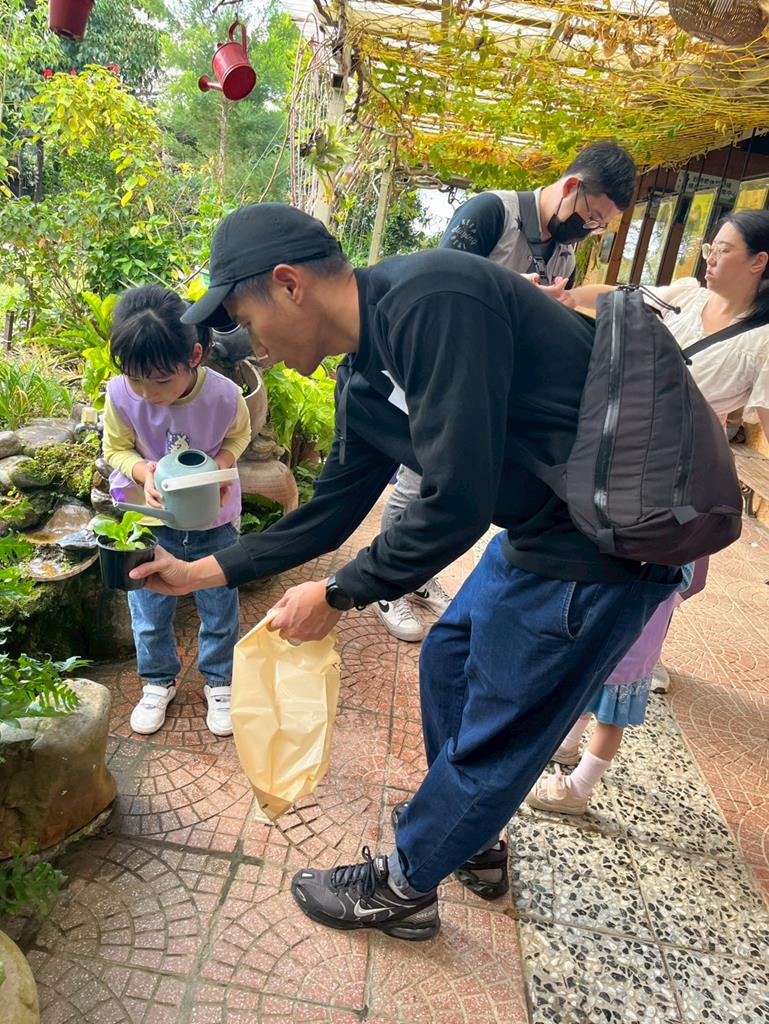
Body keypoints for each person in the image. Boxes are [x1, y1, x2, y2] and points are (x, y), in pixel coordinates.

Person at [131, 202, 681, 942]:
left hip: (608, 543)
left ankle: (404, 886)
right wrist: (196, 573)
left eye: (246, 319)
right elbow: (330, 513)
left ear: (289, 284)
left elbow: (458, 500)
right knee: (448, 657)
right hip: (546, 527)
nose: (250, 345)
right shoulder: (363, 378)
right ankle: (468, 834)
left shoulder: (435, 298)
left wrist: (338, 593)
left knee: (499, 731)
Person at [527, 209, 769, 814]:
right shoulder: (687, 294)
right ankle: (569, 736)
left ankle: (583, 781)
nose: (710, 257)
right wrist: (563, 296)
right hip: (624, 463)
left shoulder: (764, 340)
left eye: (724, 249)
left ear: (759, 262)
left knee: (633, 627)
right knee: (603, 600)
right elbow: (619, 295)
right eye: (710, 246)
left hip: (678, 491)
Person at [375, 141, 638, 642]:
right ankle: (387, 585)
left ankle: (417, 574)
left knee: (448, 483)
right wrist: (516, 288)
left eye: (600, 225)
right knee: (416, 476)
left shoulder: (566, 249)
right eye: (592, 216)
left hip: (490, 383)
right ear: (571, 187)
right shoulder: (491, 212)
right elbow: (435, 285)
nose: (589, 229)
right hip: (440, 373)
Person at [103, 285, 251, 737]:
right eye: (136, 379)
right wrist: (142, 472)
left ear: (195, 356)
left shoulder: (224, 396)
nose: (148, 393)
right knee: (148, 610)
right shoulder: (120, 395)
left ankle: (220, 682)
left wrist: (223, 464)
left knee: (220, 609)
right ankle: (157, 681)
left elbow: (238, 437)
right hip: (152, 522)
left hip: (214, 521)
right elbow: (115, 449)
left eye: (162, 380)